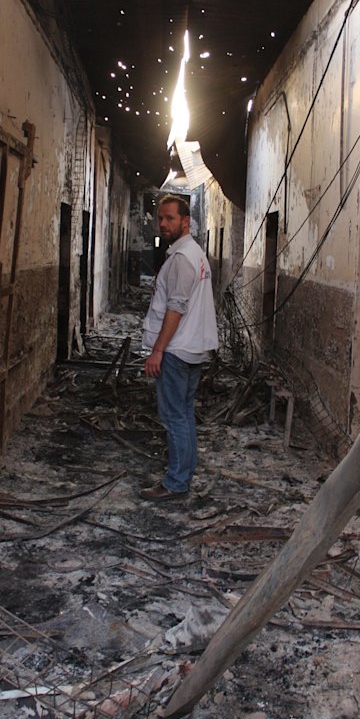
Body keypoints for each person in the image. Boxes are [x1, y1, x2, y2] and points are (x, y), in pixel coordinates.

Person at [141, 194, 218, 501]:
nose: (163, 223)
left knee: (174, 417)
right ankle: (182, 476)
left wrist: (157, 350)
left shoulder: (184, 258)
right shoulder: (193, 254)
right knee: (183, 414)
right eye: (161, 218)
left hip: (176, 350)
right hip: (192, 348)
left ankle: (175, 482)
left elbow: (176, 308)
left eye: (170, 218)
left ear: (186, 222)